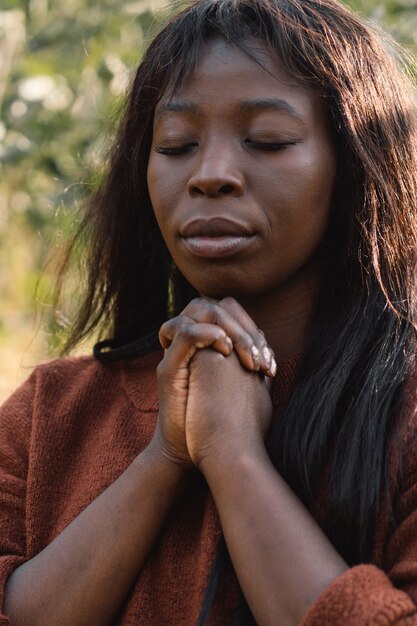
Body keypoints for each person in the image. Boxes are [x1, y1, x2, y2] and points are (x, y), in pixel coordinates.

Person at [1, 0, 417, 623]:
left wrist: (233, 456)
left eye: (267, 141)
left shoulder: (405, 415)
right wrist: (163, 457)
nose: (211, 174)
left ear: (356, 168)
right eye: (176, 145)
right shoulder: (49, 414)